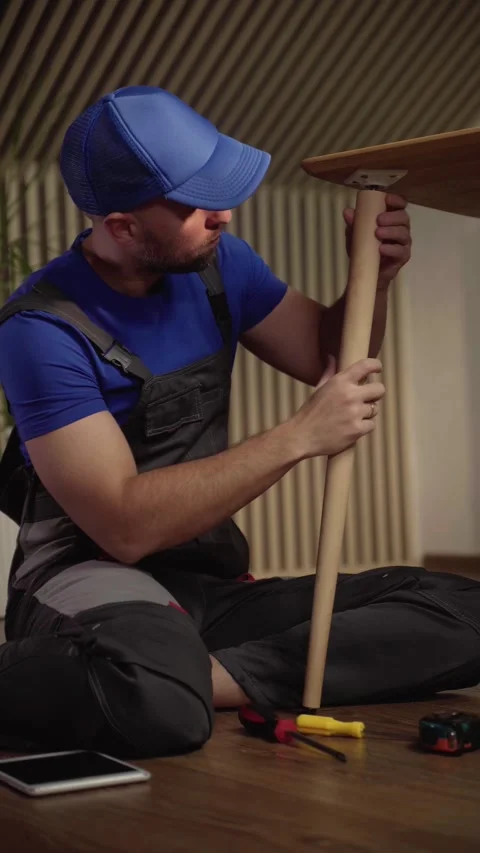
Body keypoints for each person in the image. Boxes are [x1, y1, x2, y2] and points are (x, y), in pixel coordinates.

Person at [0, 86, 478, 758]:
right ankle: (160, 672)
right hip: (90, 574)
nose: (224, 212)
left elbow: (328, 354)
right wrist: (301, 436)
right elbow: (125, 526)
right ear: (122, 226)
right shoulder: (42, 330)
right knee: (163, 702)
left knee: (464, 607)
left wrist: (376, 276)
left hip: (208, 589)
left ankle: (199, 675)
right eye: (197, 203)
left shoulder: (216, 264)